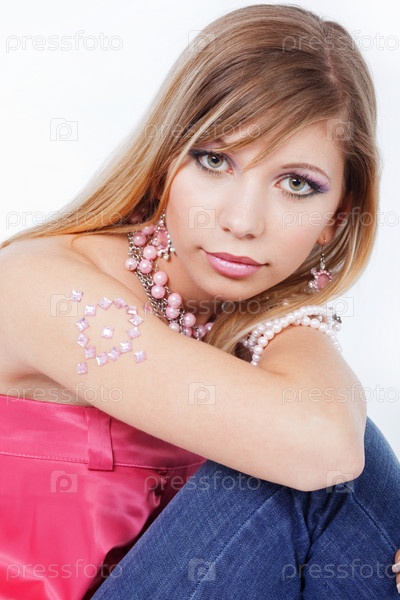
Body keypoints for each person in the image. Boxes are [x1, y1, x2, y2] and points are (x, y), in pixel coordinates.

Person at [0, 3, 399, 599]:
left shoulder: (243, 325)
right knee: (330, 458)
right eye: (215, 160)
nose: (241, 221)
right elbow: (325, 444)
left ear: (335, 220)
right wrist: (300, 315)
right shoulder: (40, 284)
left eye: (296, 184)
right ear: (165, 162)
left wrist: (282, 312)